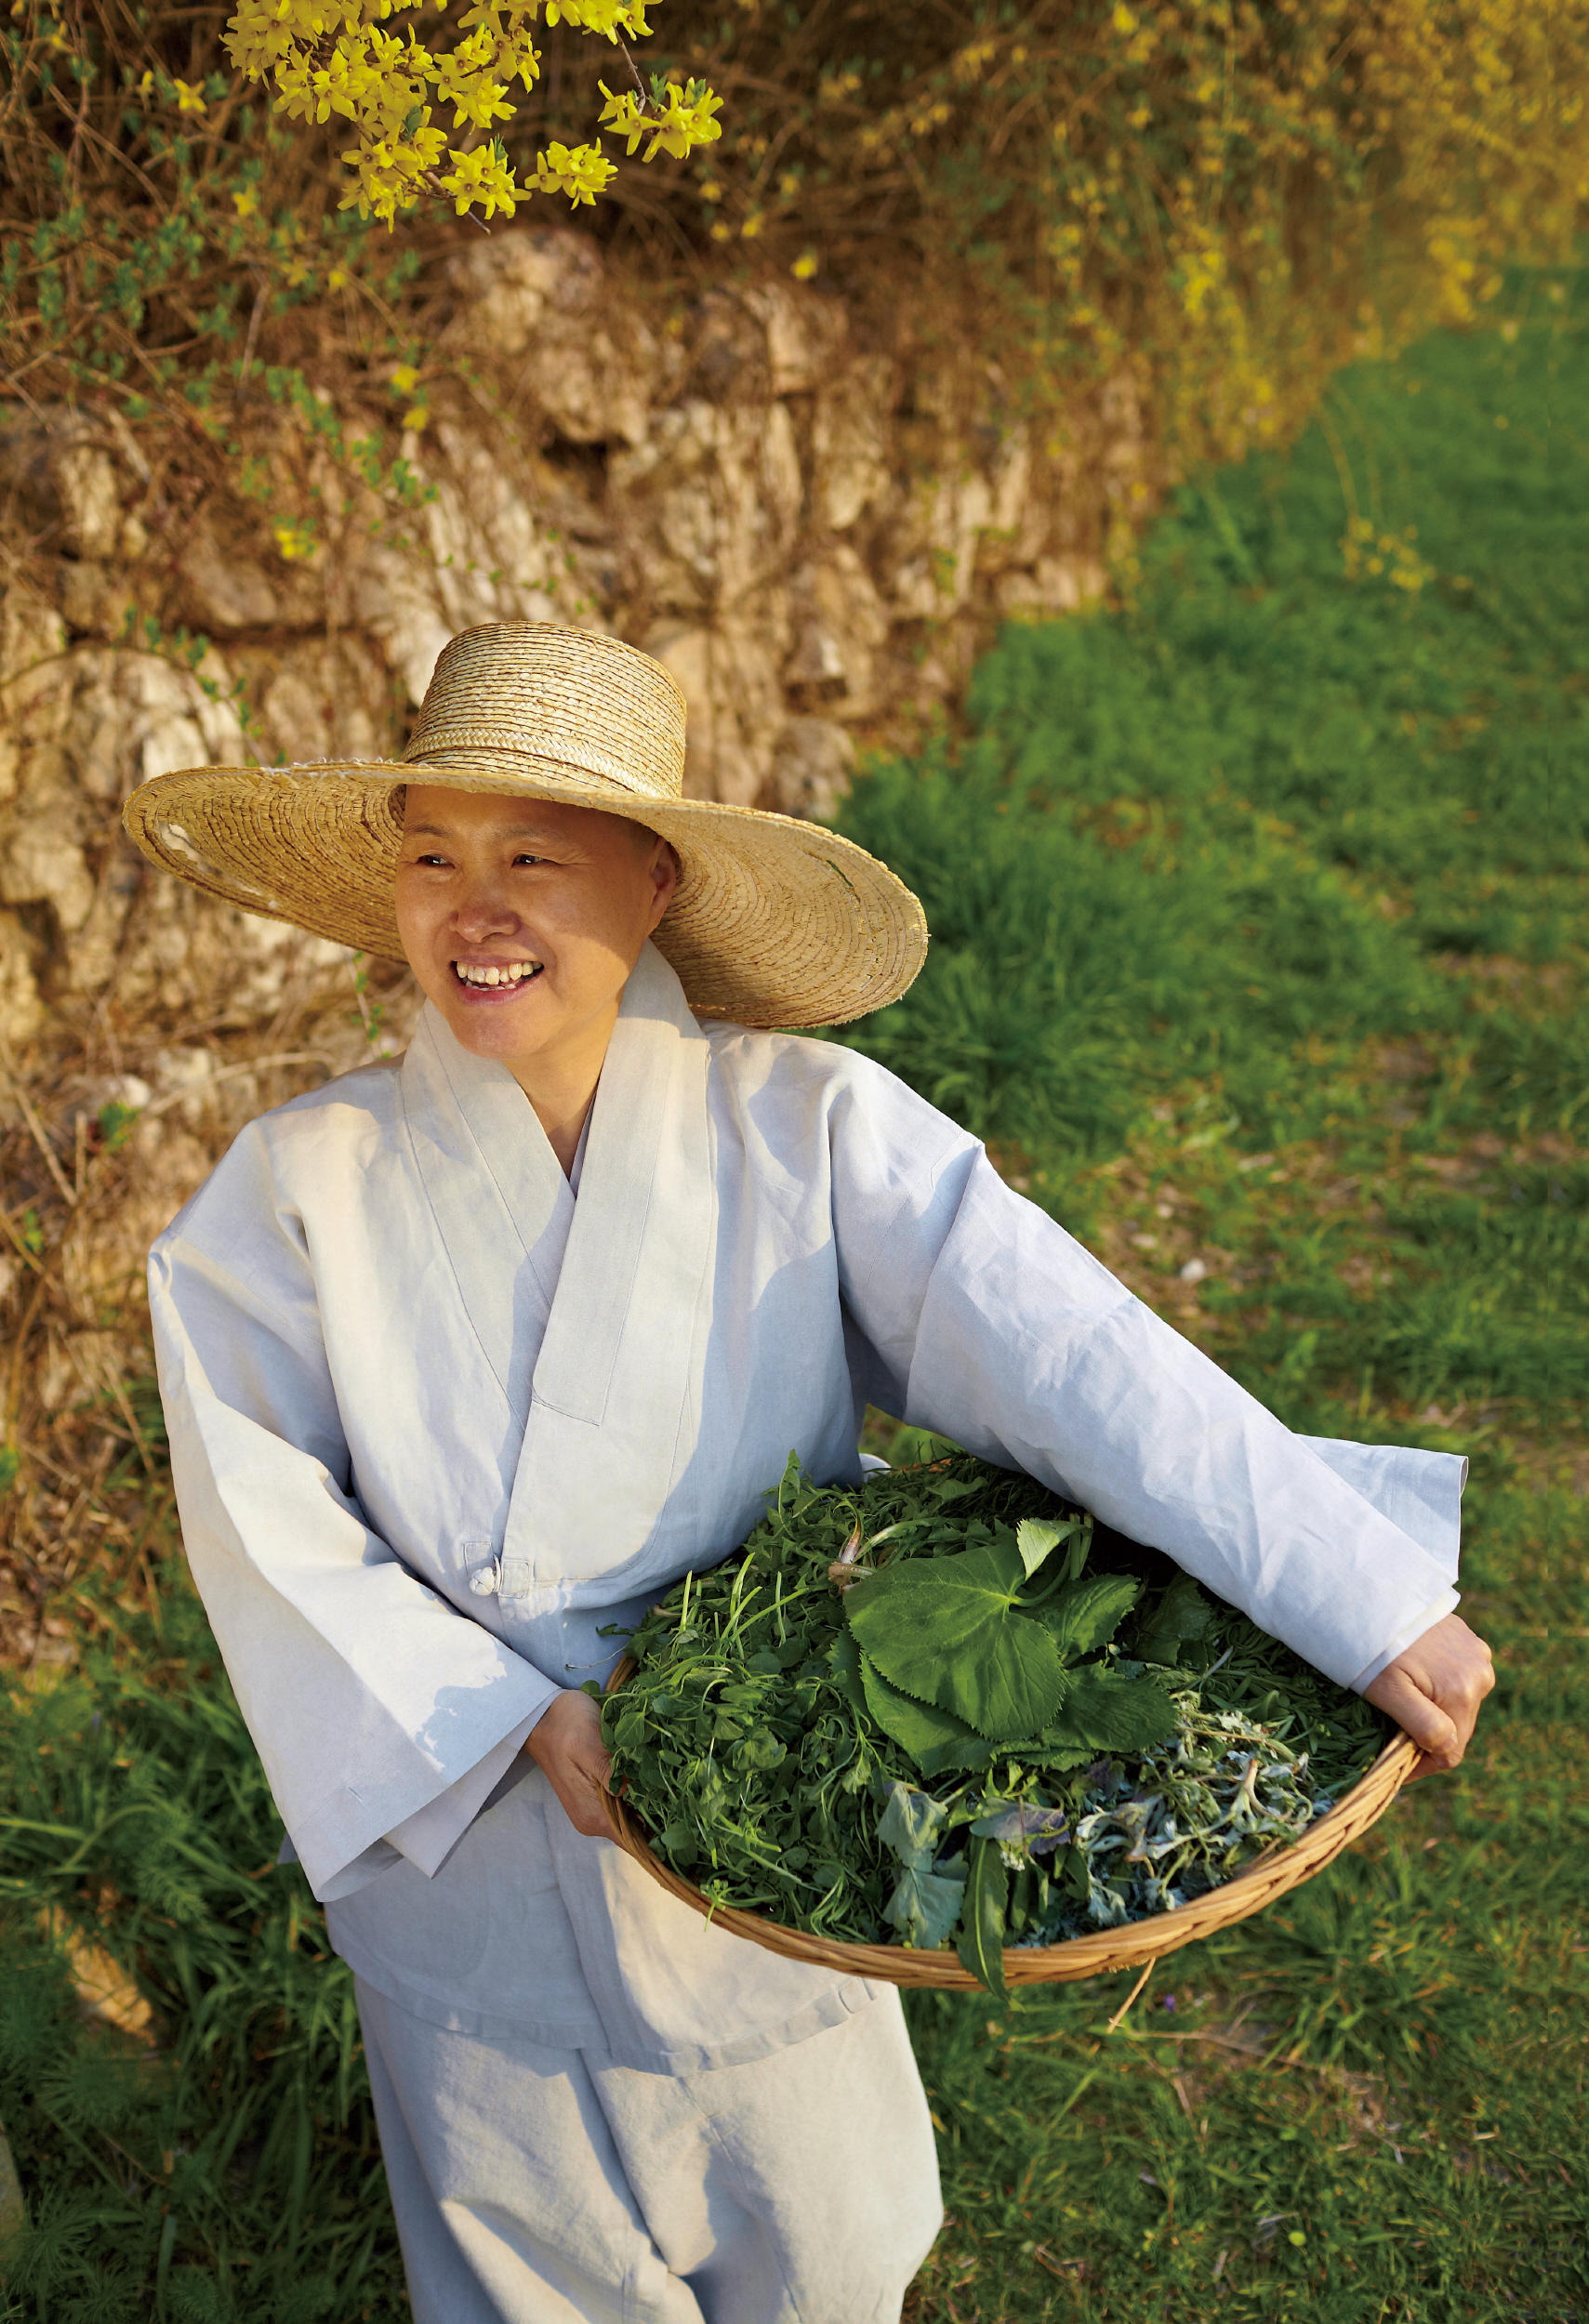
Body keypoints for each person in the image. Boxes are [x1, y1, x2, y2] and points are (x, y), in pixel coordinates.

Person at [126, 620, 1493, 2324]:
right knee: (520, 2248)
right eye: (432, 857)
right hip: (463, 1821)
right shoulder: (290, 1188)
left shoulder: (806, 1125)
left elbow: (1069, 1356)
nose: (477, 909)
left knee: (831, 2248)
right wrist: (503, 1712)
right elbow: (262, 1524)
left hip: (758, 1819)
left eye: (536, 858)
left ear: (655, 886)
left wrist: (1353, 1595)